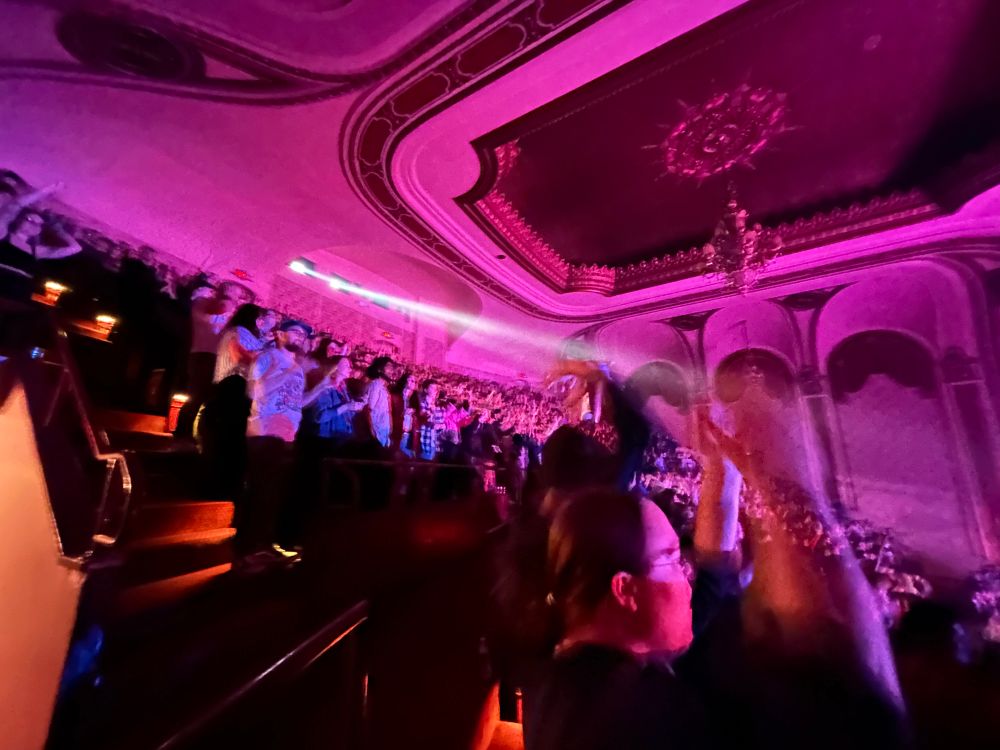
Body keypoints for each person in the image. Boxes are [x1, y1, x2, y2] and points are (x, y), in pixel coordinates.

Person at [240, 319, 311, 567]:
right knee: (261, 492)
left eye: (304, 335)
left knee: (274, 494)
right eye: (296, 332)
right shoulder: (267, 357)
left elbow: (296, 401)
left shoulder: (298, 368)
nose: (301, 337)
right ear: (279, 334)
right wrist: (289, 371)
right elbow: (253, 392)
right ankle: (249, 548)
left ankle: (265, 544)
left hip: (286, 435)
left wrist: (323, 386)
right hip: (264, 431)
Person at [175, 282, 233, 439]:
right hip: (201, 354)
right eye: (232, 292)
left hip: (214, 356)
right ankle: (182, 433)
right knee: (196, 395)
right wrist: (225, 303)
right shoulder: (202, 303)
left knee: (207, 397)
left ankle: (196, 433)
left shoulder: (222, 312)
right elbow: (211, 316)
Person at [0, 204, 81, 301]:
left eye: (39, 224)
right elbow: (13, 208)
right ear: (19, 219)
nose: (34, 225)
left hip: (14, 294)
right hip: (16, 296)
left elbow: (75, 247)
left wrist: (54, 225)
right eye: (30, 220)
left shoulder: (37, 250)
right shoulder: (3, 234)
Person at [361, 355, 393, 448]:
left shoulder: (384, 387)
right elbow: (369, 409)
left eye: (392, 367)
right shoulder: (376, 385)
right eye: (388, 366)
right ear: (380, 369)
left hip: (383, 433)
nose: (391, 370)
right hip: (377, 433)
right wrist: (372, 431)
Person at [415, 378, 444, 460]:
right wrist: (431, 411)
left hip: (436, 445)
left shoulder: (439, 406)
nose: (435, 390)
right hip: (425, 443)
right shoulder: (421, 404)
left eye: (436, 388)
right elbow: (423, 418)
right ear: (425, 390)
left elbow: (441, 424)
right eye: (432, 388)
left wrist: (442, 426)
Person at [390, 371, 416, 456]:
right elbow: (392, 412)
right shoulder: (397, 395)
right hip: (397, 429)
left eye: (415, 381)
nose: (414, 383)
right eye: (411, 380)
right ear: (405, 381)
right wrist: (404, 412)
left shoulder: (413, 398)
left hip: (408, 430)